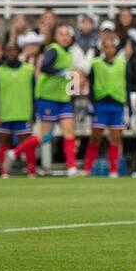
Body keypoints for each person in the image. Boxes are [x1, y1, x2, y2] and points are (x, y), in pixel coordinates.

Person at [34, 23, 80, 176]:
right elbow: (45, 67)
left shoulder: (69, 53)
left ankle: (72, 167)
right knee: (45, 136)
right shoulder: (53, 50)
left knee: (69, 131)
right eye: (62, 34)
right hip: (48, 97)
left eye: (68, 34)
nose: (65, 37)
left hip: (63, 98)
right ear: (55, 36)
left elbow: (70, 77)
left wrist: (72, 91)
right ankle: (15, 153)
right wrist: (62, 72)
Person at [83, 28, 129, 177]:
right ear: (102, 48)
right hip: (101, 104)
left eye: (111, 46)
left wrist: (128, 105)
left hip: (117, 104)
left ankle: (114, 170)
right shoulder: (96, 64)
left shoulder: (122, 64)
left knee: (115, 138)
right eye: (106, 46)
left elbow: (127, 84)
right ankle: (88, 168)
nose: (109, 49)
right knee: (95, 138)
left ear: (115, 48)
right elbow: (90, 84)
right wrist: (91, 102)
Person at [0, 41, 38, 178]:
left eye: (14, 50)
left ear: (18, 52)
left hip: (23, 112)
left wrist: (33, 114)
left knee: (27, 142)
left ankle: (31, 171)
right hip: (4, 113)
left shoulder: (28, 70)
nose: (11, 53)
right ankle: (4, 171)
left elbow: (34, 92)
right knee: (3, 141)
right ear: (4, 53)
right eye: (8, 50)